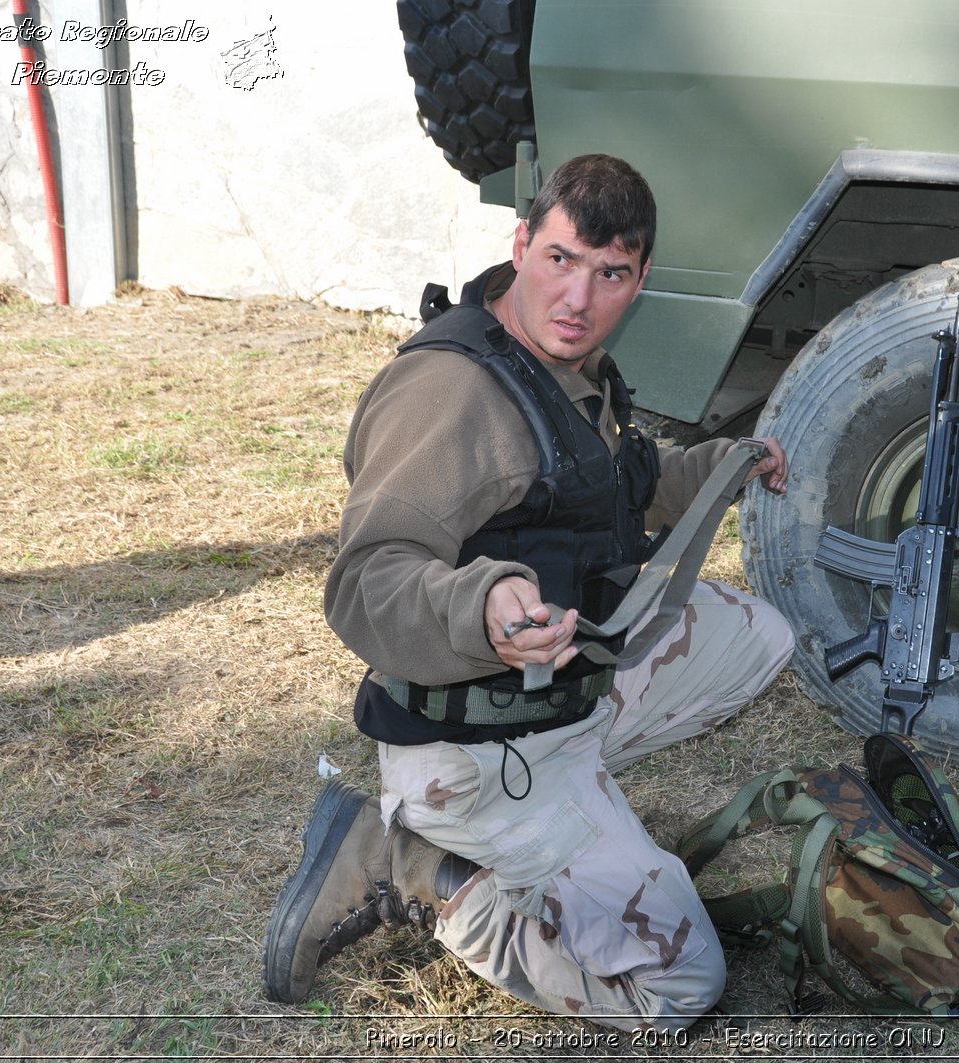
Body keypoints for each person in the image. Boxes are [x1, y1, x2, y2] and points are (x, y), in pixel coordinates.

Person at [261, 153, 794, 1031]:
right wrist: (483, 607)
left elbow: (615, 480)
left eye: (610, 273)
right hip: (472, 752)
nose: (578, 299)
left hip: (556, 699)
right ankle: (414, 863)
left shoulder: (567, 362)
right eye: (559, 260)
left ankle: (575, 808)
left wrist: (723, 466)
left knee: (759, 634)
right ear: (520, 243)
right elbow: (365, 580)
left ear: (640, 279)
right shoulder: (454, 392)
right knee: (679, 989)